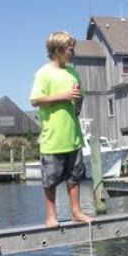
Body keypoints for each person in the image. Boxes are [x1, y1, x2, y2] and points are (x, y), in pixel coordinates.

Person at [30, 31, 93, 227]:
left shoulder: (73, 72)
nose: (72, 51)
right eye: (69, 48)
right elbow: (35, 100)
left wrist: (78, 102)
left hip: (73, 136)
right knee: (50, 180)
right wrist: (64, 96)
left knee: (75, 177)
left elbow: (78, 95)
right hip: (53, 138)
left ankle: (76, 212)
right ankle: (51, 216)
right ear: (57, 50)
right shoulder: (43, 73)